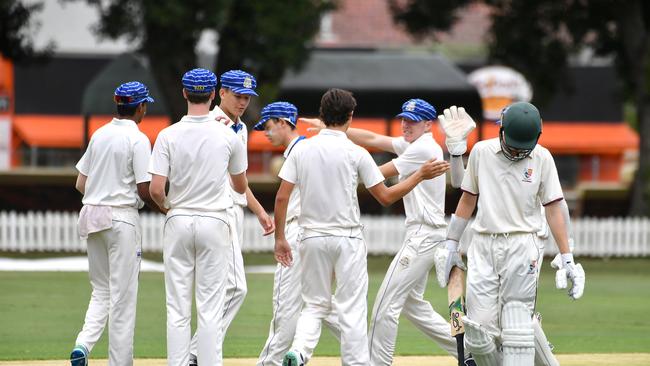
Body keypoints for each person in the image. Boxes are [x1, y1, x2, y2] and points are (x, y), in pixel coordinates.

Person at [274, 89, 449, 366]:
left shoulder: (303, 148)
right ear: (350, 116)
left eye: (412, 121)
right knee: (356, 307)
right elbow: (382, 185)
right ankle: (362, 363)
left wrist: (280, 238)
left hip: (312, 237)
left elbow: (282, 196)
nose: (405, 124)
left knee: (315, 305)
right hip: (348, 238)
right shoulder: (360, 153)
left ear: (322, 114)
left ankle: (300, 351)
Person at [435, 102, 586, 366]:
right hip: (483, 244)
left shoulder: (542, 157)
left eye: (522, 147)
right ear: (501, 130)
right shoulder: (482, 151)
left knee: (516, 327)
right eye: (512, 144)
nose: (516, 151)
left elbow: (553, 209)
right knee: (479, 334)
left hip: (522, 245)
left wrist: (567, 256)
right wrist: (450, 244)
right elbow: (467, 199)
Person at [149, 68, 249, 366]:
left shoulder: (168, 134)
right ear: (213, 93)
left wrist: (168, 206)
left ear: (184, 93)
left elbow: (156, 189)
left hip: (178, 218)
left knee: (177, 306)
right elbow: (240, 185)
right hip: (215, 219)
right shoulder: (227, 134)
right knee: (210, 305)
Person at [188, 69, 274, 365]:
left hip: (232, 209)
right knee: (235, 287)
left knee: (226, 288)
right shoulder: (211, 124)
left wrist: (260, 211)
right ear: (221, 92)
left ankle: (198, 353)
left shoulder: (242, 128)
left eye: (248, 97)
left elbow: (240, 179)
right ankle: (197, 353)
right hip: (217, 211)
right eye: (238, 95)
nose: (243, 102)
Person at [70, 81, 158, 366]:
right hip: (121, 217)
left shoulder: (99, 134)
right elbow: (145, 189)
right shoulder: (138, 139)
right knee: (123, 297)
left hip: (92, 213)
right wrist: (166, 206)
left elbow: (81, 183)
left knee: (101, 290)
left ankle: (83, 344)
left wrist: (102, 193)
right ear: (141, 106)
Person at [252, 102, 340, 366]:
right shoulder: (309, 148)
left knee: (285, 307)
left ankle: (269, 363)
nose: (266, 134)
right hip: (315, 232)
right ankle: (365, 349)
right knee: (320, 303)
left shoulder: (299, 152)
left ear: (282, 122)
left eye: (268, 127)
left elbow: (282, 199)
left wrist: (280, 238)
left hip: (297, 230)